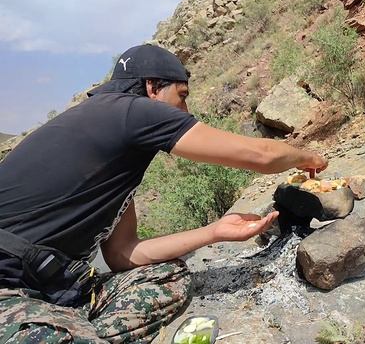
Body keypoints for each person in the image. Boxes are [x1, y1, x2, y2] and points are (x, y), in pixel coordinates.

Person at [0, 44, 328, 343]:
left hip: (49, 289)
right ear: (152, 88)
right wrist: (307, 156)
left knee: (168, 276)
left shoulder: (114, 153)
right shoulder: (130, 111)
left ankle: (70, 330)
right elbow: (261, 156)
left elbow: (122, 254)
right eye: (182, 95)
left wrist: (213, 232)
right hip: (8, 291)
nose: (185, 110)